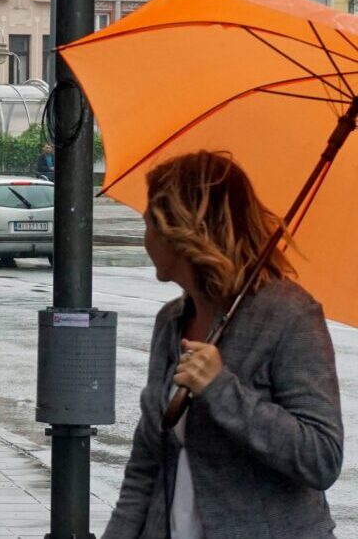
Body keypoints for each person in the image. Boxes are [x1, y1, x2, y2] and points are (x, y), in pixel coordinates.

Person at [104, 151, 343, 539]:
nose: (145, 238)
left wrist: (221, 389)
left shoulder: (288, 316)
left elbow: (321, 457)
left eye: (150, 223)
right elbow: (147, 465)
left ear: (181, 231)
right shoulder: (171, 323)